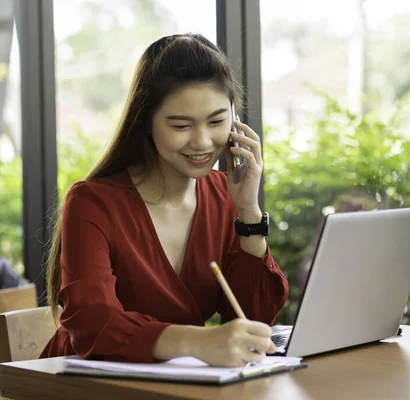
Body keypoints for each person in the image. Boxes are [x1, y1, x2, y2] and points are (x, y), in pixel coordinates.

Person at [40, 33, 289, 367]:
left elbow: (255, 318)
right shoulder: (92, 202)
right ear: (145, 122)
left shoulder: (225, 195)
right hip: (81, 383)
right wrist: (199, 341)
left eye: (216, 121)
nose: (202, 142)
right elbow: (93, 325)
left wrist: (248, 211)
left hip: (175, 383)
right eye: (181, 125)